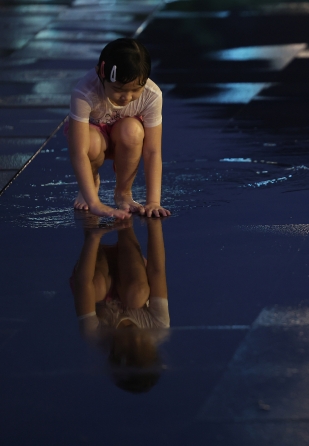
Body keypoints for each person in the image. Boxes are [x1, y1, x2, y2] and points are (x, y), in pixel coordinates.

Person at [67, 38, 170, 219]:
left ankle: (123, 192)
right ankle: (90, 184)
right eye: (118, 89)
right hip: (95, 140)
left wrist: (153, 201)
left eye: (135, 90)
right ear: (101, 73)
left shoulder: (151, 95)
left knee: (132, 129)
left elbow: (153, 151)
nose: (126, 97)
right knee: (89, 143)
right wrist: (94, 203)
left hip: (125, 142)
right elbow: (79, 152)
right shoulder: (84, 92)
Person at [71, 217, 169, 392]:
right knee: (137, 297)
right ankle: (124, 221)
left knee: (98, 290)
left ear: (114, 354)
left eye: (130, 346)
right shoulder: (159, 327)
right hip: (130, 270)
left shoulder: (95, 334)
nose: (135, 337)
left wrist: (93, 238)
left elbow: (82, 284)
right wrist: (154, 222)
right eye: (143, 344)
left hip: (94, 270)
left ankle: (91, 224)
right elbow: (156, 270)